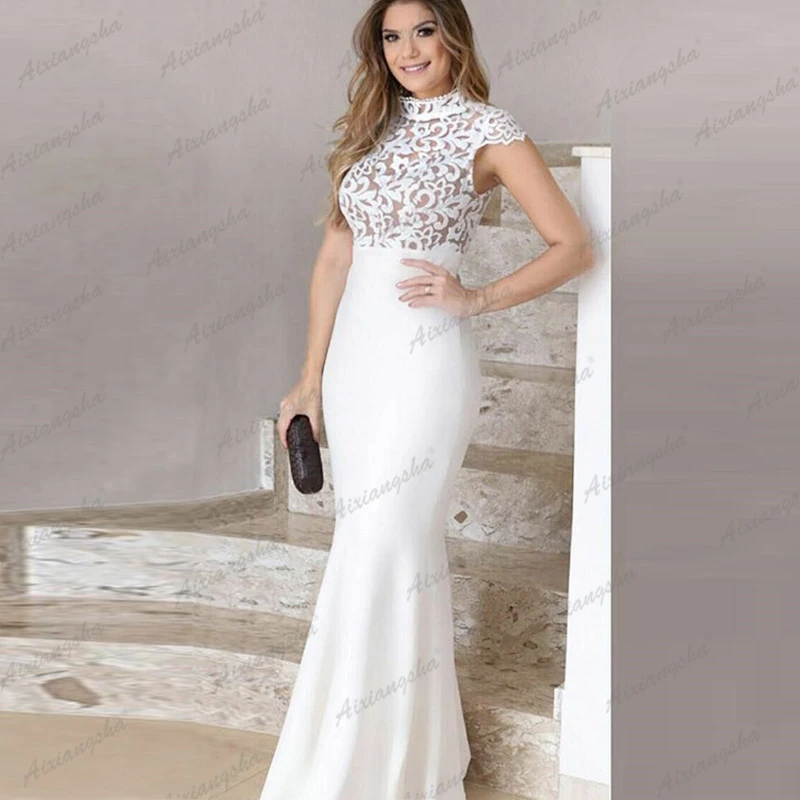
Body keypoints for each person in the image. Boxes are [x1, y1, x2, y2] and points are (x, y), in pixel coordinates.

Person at [263, 1, 594, 798]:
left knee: (387, 544)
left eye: (423, 31)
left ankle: (360, 769)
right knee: (377, 546)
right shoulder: (371, 133)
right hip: (356, 364)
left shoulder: (488, 130)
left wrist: (476, 299)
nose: (407, 50)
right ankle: (414, 753)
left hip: (426, 363)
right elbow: (335, 257)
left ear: (453, 37)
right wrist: (309, 379)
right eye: (391, 36)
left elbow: (574, 246)